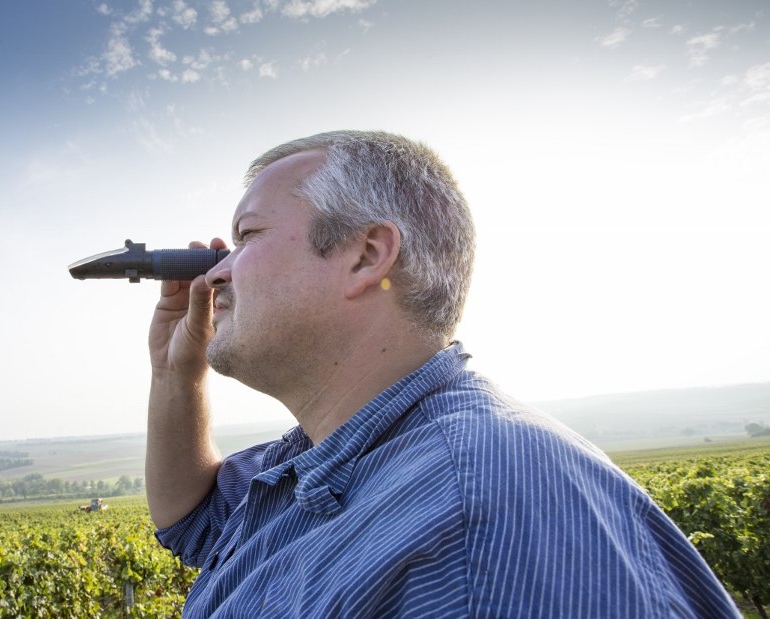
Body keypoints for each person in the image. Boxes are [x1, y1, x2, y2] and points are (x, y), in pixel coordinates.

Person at [145, 130, 738, 617]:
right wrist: (175, 373)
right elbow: (193, 520)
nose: (213, 276)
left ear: (368, 255)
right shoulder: (341, 455)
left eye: (247, 236)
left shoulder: (479, 518)